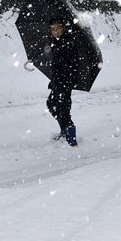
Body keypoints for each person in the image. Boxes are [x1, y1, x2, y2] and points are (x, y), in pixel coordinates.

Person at [45, 17, 80, 147]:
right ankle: (64, 131)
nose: (55, 31)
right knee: (51, 104)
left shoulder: (68, 42)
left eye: (58, 28)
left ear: (63, 28)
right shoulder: (56, 42)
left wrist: (66, 81)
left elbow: (73, 64)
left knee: (63, 110)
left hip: (64, 82)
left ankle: (72, 141)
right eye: (52, 29)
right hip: (57, 81)